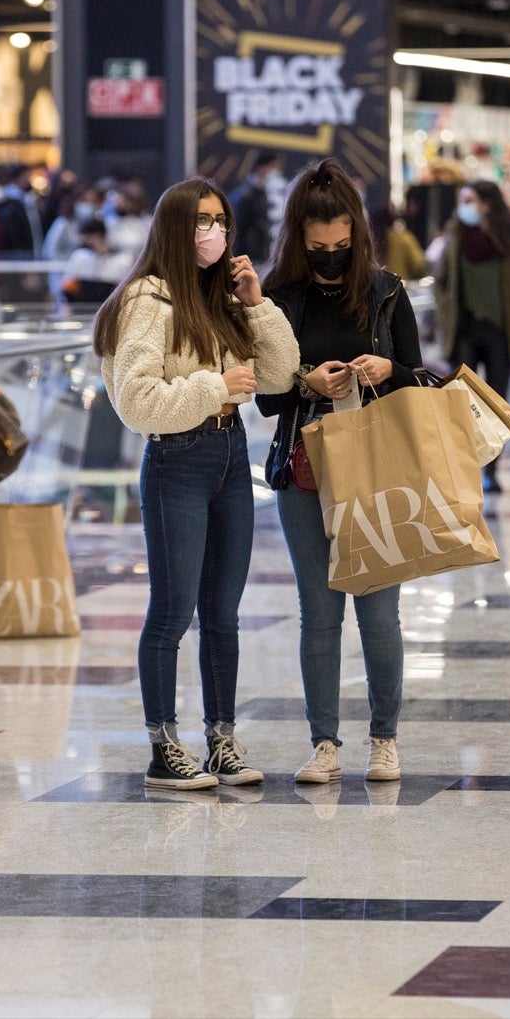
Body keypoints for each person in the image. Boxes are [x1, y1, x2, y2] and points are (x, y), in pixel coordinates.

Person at [93, 178, 298, 789]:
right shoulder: (147, 300)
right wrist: (215, 387)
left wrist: (256, 302)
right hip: (176, 461)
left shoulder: (219, 297)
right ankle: (162, 747)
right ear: (174, 230)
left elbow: (281, 375)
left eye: (221, 221)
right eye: (200, 221)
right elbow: (136, 401)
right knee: (172, 611)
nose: (213, 233)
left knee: (223, 614)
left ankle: (220, 740)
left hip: (232, 456)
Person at [257, 158, 420, 785]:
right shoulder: (278, 295)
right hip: (304, 467)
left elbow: (420, 376)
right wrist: (305, 380)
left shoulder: (385, 290)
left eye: (340, 245)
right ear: (299, 238)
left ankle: (385, 738)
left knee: (379, 613)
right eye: (318, 246)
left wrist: (388, 372)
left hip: (378, 467)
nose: (329, 256)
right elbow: (267, 399)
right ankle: (324, 743)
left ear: (356, 236)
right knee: (319, 611)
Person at [434, 179, 510, 493]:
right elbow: (440, 281)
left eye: (470, 199)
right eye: (462, 198)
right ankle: (464, 471)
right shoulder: (456, 235)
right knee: (460, 405)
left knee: (495, 406)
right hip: (464, 329)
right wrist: (447, 309)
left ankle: (492, 470)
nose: (464, 205)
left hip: (501, 333)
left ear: (488, 204)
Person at [61, 217, 131, 303]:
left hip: (108, 306)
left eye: (87, 238)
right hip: (82, 307)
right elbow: (68, 286)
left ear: (98, 235)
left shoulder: (122, 260)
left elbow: (124, 290)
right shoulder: (80, 257)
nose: (84, 242)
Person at [231, 152, 280, 262]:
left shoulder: (263, 190)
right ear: (261, 167)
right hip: (247, 253)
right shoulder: (245, 192)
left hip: (260, 252)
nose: (275, 172)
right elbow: (239, 223)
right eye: (272, 167)